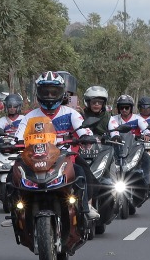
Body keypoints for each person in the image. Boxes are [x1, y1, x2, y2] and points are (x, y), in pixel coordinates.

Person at [11, 70, 95, 226]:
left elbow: (83, 130)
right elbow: (18, 136)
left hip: (66, 158)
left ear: (62, 93)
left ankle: (86, 208)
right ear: (38, 93)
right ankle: (16, 212)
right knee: (13, 174)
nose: (49, 95)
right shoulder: (29, 116)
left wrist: (85, 137)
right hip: (36, 160)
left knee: (83, 172)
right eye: (45, 91)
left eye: (53, 91)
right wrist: (11, 145)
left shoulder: (71, 113)